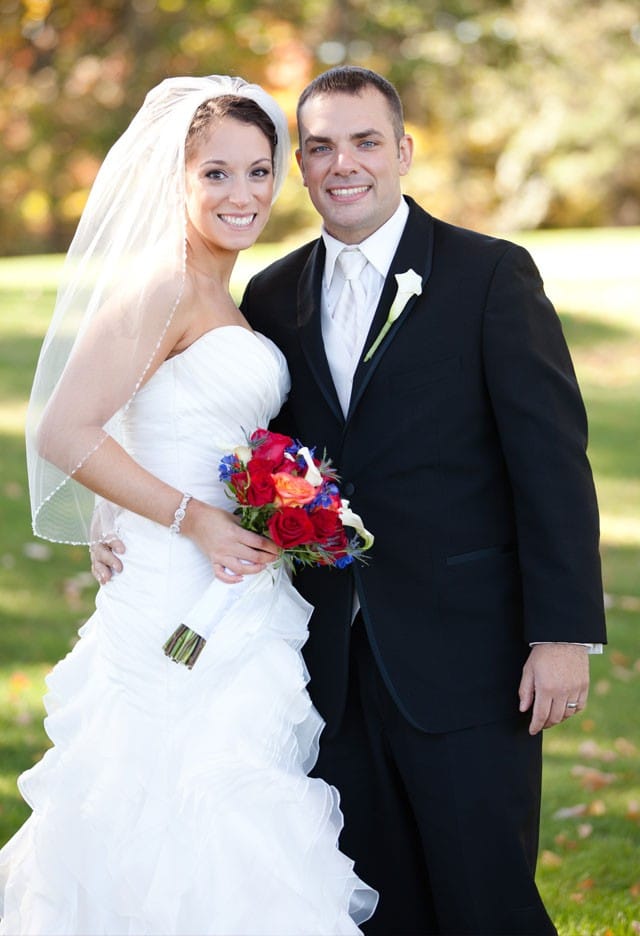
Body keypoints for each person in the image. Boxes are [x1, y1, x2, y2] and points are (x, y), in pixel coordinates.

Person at [92, 66, 607, 934]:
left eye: (366, 141)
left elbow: (552, 466)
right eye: (320, 147)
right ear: (303, 166)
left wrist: (561, 634)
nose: (344, 164)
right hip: (320, 654)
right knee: (365, 897)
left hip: (468, 653)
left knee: (485, 893)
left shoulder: (489, 276)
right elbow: (217, 443)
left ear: (402, 152)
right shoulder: (273, 293)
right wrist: (115, 516)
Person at [0, 75, 377, 935]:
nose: (241, 194)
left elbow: (145, 419)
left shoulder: (228, 296)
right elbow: (64, 430)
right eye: (215, 174)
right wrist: (191, 518)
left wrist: (138, 508)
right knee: (162, 799)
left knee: (238, 797)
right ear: (176, 177)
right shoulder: (164, 286)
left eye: (258, 172)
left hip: (240, 592)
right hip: (175, 585)